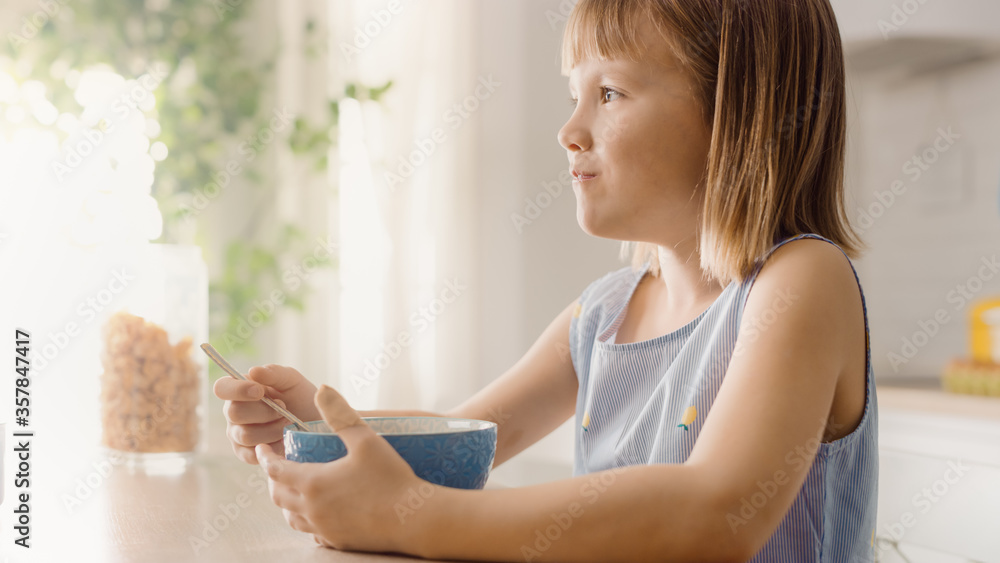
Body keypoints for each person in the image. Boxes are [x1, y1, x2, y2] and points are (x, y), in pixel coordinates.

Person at [214, 0, 878, 560]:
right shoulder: (603, 314)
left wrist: (410, 516)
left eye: (610, 93)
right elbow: (454, 445)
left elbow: (716, 513)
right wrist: (316, 432)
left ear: (738, 110)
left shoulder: (800, 282)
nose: (569, 130)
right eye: (573, 96)